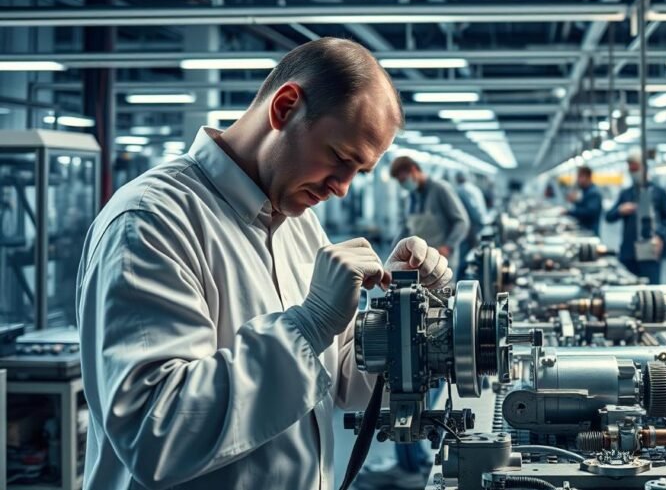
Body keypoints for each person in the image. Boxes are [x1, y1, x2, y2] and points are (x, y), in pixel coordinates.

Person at [76, 37, 454, 489]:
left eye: (360, 171)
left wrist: (401, 320)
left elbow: (343, 379)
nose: (342, 188)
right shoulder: (152, 220)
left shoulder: (299, 225)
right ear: (285, 108)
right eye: (339, 158)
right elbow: (155, 433)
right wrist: (310, 324)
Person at [390, 156, 470, 277]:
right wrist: (394, 253)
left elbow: (461, 222)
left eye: (404, 180)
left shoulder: (440, 189)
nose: (403, 185)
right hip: (419, 262)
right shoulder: (410, 198)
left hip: (442, 262)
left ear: (414, 170)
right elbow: (405, 228)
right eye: (400, 182)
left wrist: (448, 246)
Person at [605, 152, 666, 284]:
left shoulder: (659, 193)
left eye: (635, 168)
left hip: (650, 250)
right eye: (631, 169)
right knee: (627, 287)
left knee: (651, 288)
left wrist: (660, 236)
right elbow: (609, 217)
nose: (633, 173)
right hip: (628, 252)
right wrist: (620, 210)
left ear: (644, 168)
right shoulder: (626, 194)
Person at [454, 172, 487, 277]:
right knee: (473, 256)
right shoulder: (475, 189)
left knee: (464, 258)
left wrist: (471, 231)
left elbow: (471, 213)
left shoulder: (461, 190)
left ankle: (461, 280)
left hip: (470, 230)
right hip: (478, 228)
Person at [566, 165, 603, 235]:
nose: (578, 179)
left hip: (590, 232)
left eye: (580, 176)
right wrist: (575, 201)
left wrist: (569, 212)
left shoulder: (594, 193)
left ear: (588, 177)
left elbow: (589, 212)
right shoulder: (584, 191)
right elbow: (583, 206)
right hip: (584, 229)